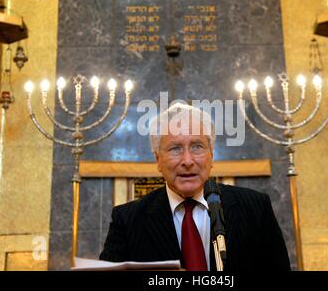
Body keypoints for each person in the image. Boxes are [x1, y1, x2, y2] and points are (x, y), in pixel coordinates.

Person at [100, 103, 290, 271]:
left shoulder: (255, 207)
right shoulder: (127, 220)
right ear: (158, 159)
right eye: (175, 149)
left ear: (211, 155)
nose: (188, 161)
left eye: (197, 146)